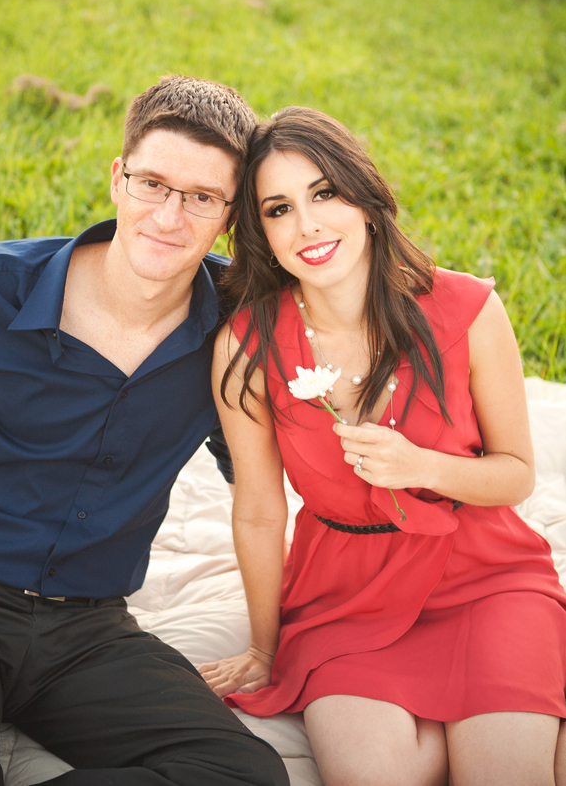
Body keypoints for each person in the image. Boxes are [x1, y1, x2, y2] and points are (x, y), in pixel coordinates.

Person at [0, 75, 288, 786]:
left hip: (86, 627)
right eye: (153, 182)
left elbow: (260, 471)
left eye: (202, 198)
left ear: (228, 215)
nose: (170, 217)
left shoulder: (236, 332)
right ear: (117, 178)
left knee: (242, 774)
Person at [199, 105, 566, 786]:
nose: (306, 224)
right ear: (260, 233)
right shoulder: (245, 347)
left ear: (364, 201)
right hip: (343, 595)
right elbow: (257, 510)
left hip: (484, 577)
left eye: (324, 193)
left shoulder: (465, 308)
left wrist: (419, 466)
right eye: (277, 209)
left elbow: (515, 476)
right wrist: (260, 645)